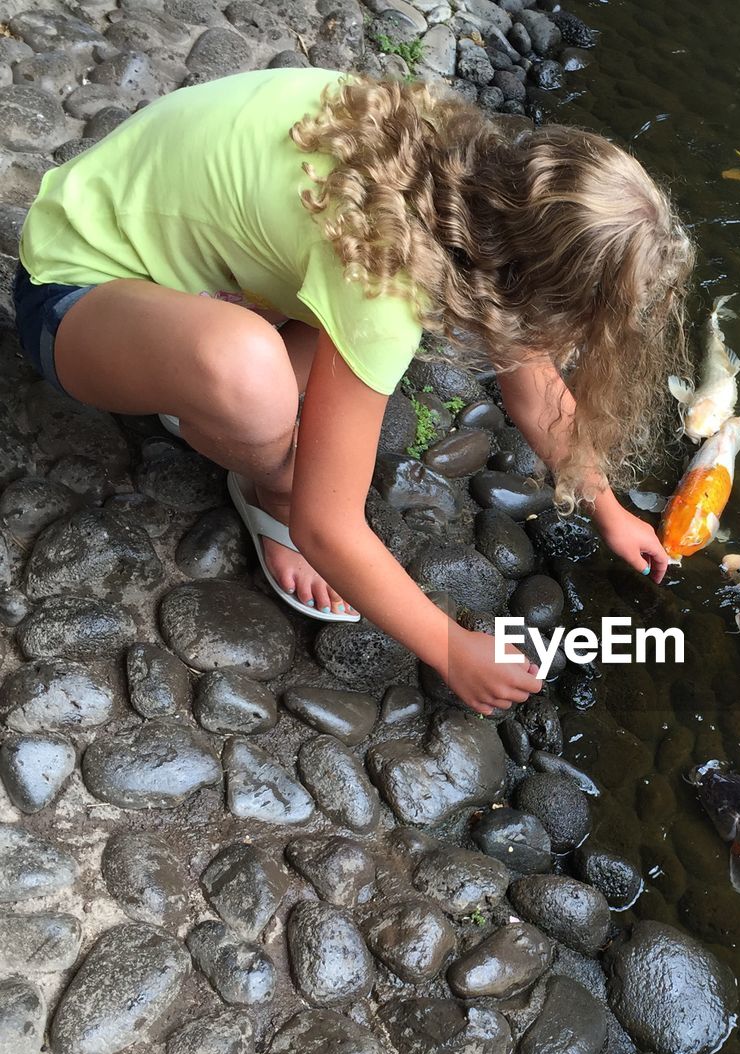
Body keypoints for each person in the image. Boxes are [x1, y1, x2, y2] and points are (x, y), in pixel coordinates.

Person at [13, 67, 692, 716]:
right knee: (252, 380)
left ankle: (200, 376)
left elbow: (532, 382)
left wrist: (606, 507)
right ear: (536, 281)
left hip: (167, 260)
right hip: (70, 296)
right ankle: (263, 485)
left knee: (282, 366)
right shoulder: (385, 279)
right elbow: (327, 528)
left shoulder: (468, 179)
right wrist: (449, 645)